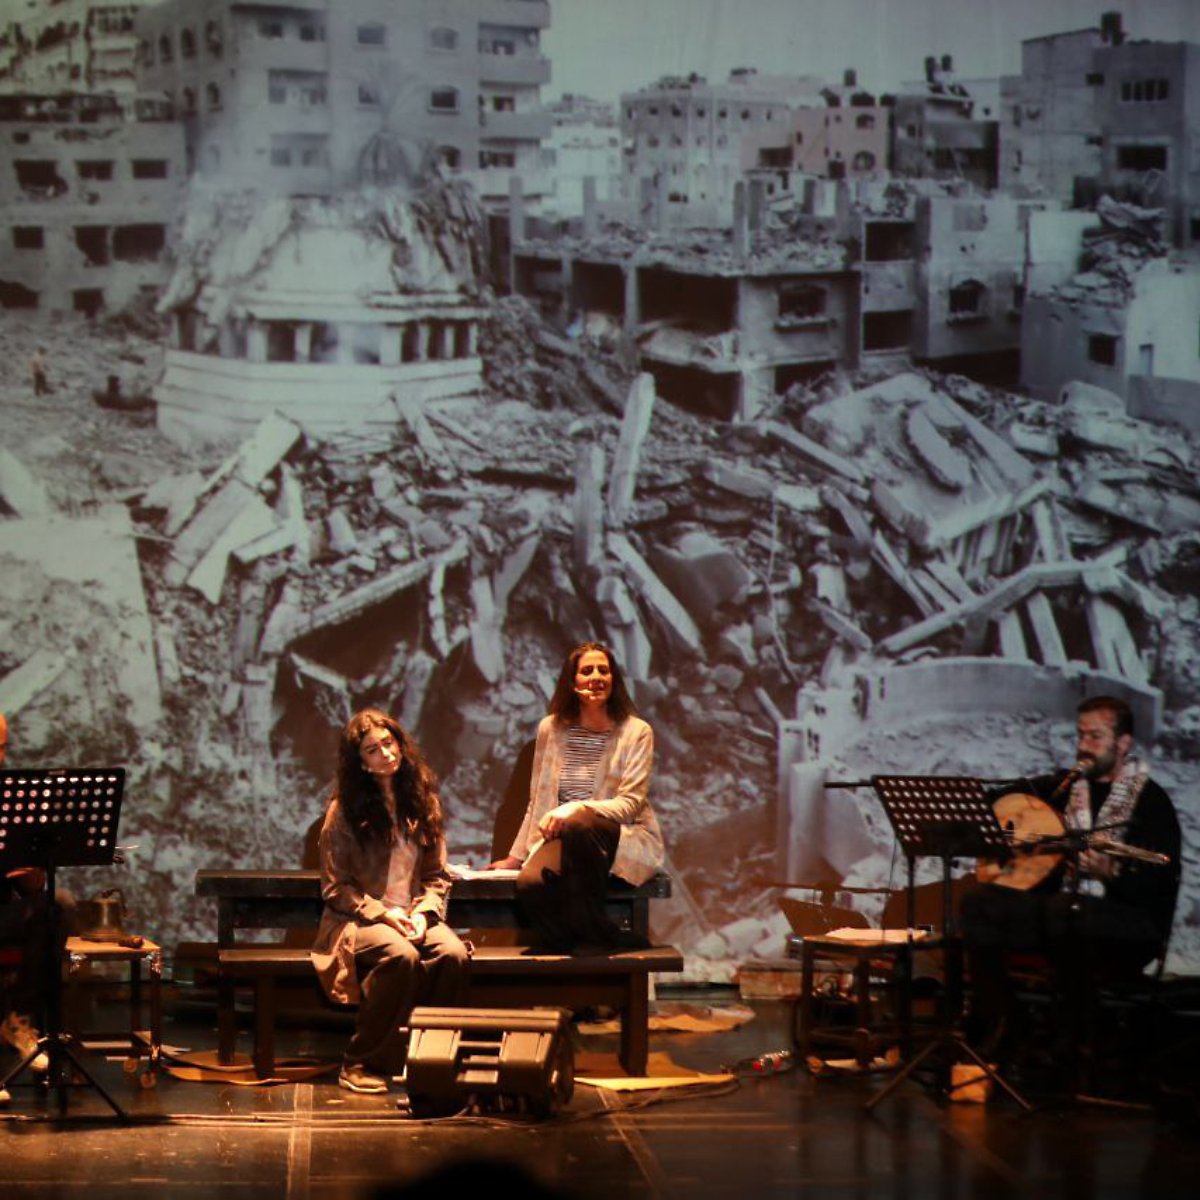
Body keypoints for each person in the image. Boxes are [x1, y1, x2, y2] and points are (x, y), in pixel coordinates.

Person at [959, 695, 1181, 1069]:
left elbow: (1160, 880)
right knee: (979, 902)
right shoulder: (1064, 789)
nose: (1083, 746)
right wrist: (1003, 832)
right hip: (1060, 914)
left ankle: (1071, 1040)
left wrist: (1111, 872)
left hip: (1130, 925)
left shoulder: (1151, 801)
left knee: (1066, 909)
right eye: (1080, 735)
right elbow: (1001, 802)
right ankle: (1006, 1025)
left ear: (1123, 743)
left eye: (1095, 736)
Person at [311, 709, 469, 1095]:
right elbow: (335, 888)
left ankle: (430, 1057)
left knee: (452, 954)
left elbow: (436, 876)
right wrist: (385, 914)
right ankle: (360, 1062)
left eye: (389, 743)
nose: (386, 754)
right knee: (401, 955)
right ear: (361, 763)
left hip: (413, 914)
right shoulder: (344, 812)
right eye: (372, 750)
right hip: (357, 922)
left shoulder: (422, 801)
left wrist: (424, 913)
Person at [490, 641, 665, 952]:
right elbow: (537, 799)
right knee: (531, 884)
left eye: (603, 670)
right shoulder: (551, 728)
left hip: (616, 835)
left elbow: (629, 805)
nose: (596, 677)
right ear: (572, 682)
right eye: (587, 671)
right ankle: (597, 940)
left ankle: (592, 943)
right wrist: (515, 857)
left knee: (582, 822)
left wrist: (574, 808)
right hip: (564, 835)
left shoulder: (636, 731)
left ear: (614, 679)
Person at [0, 712, 70, 1090]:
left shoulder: (12, 797)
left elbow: (28, 886)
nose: (0, 757)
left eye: (2, 747)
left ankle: (20, 1018)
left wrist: (32, 871)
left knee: (53, 906)